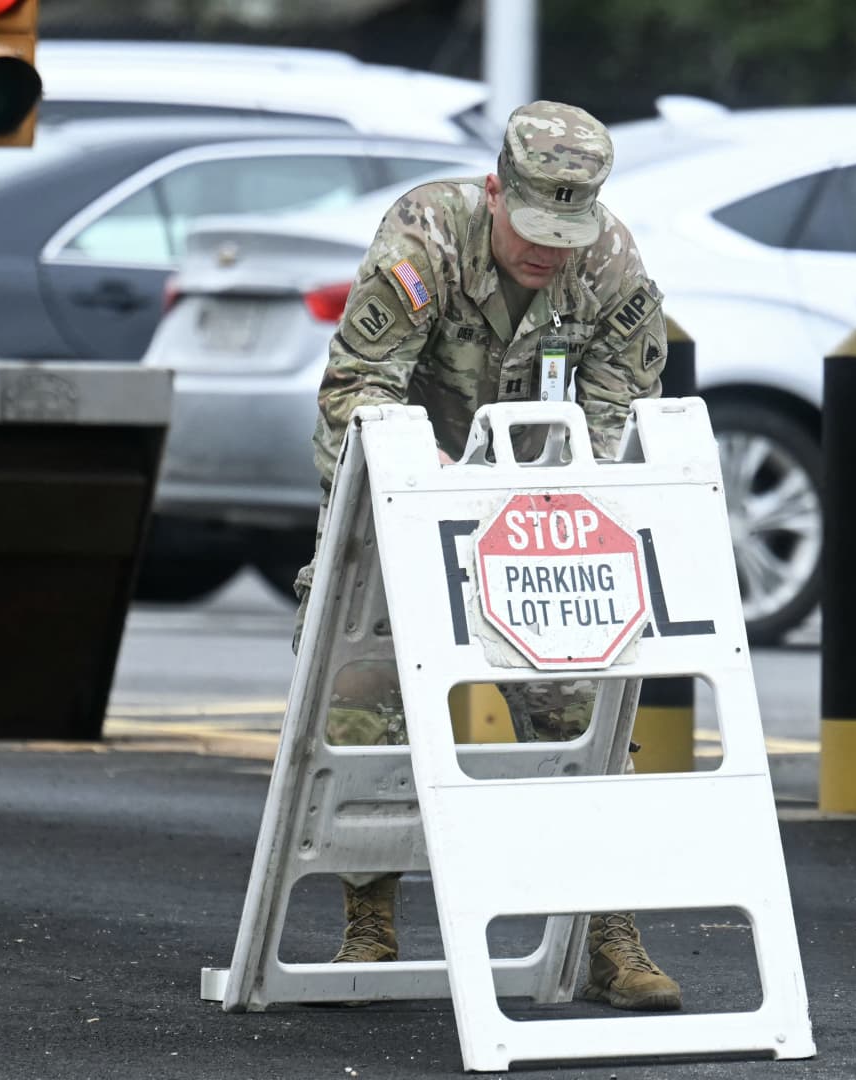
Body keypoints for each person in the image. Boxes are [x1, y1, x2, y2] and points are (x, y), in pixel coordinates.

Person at [289, 100, 678, 1011]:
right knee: (364, 699)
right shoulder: (426, 238)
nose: (551, 249)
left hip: (533, 511)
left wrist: (548, 503)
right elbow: (357, 390)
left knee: (579, 706)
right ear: (497, 189)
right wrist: (422, 486)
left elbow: (613, 417)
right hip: (395, 492)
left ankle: (609, 936)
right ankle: (371, 925)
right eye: (535, 226)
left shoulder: (612, 268)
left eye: (568, 229)